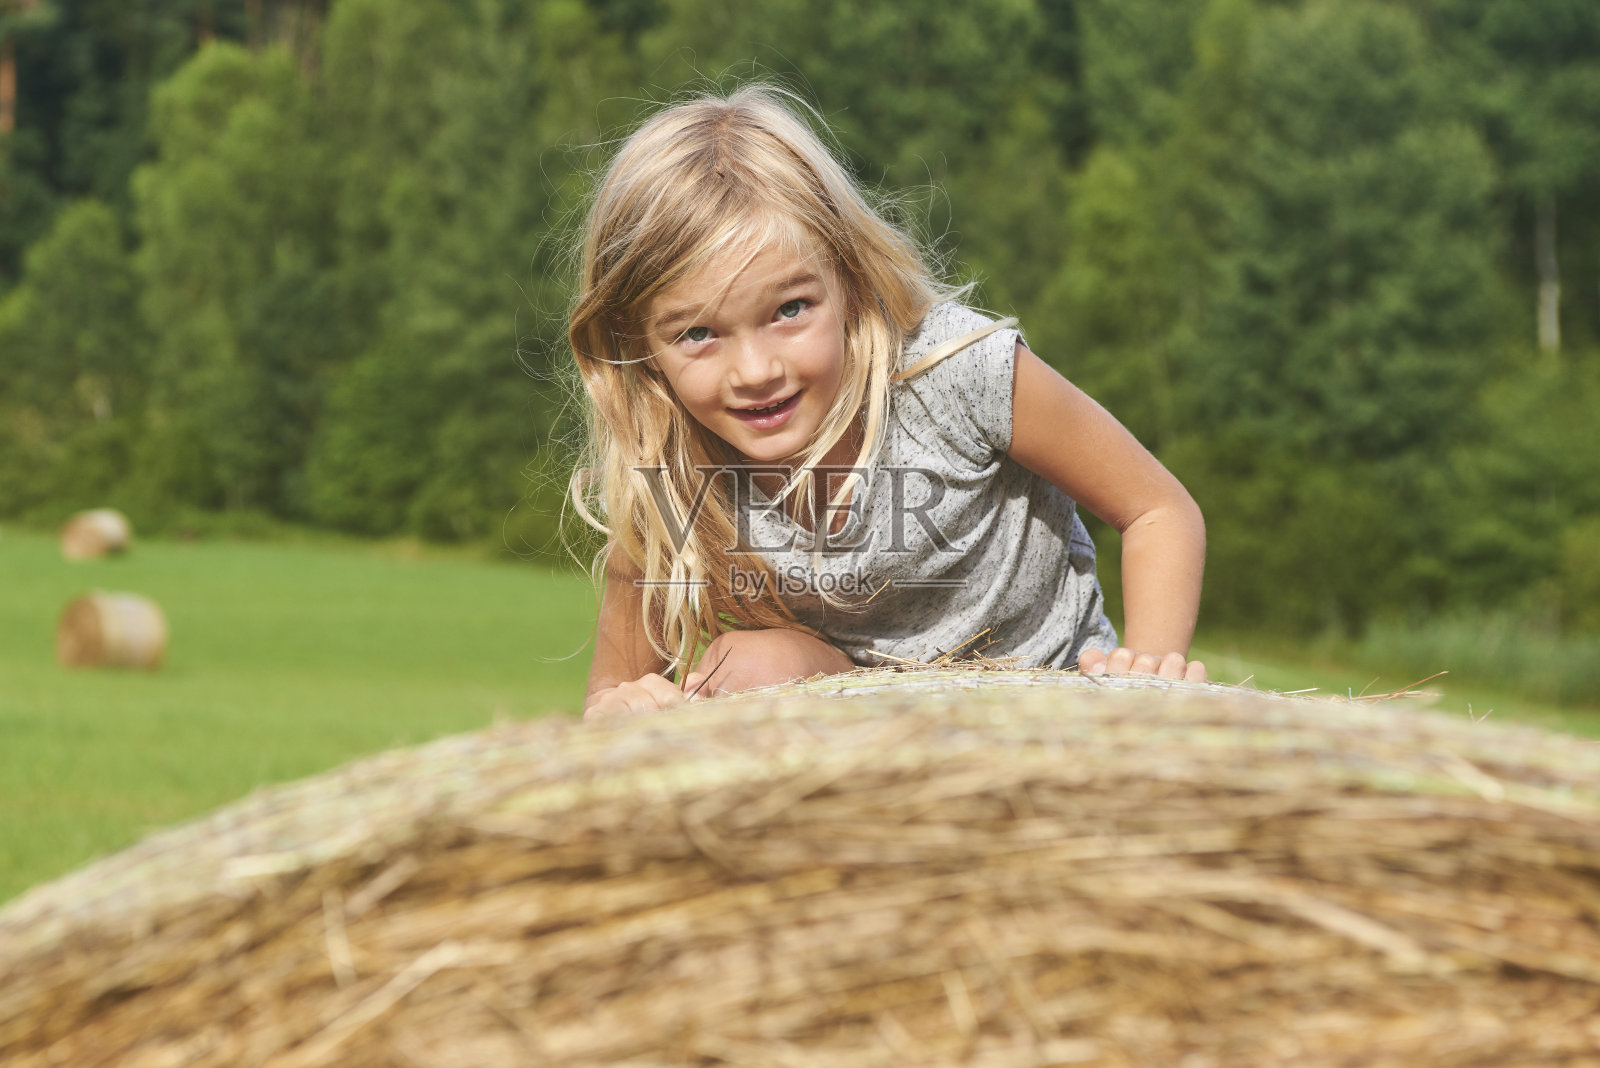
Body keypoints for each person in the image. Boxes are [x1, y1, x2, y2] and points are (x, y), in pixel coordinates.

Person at [570, 86, 1206, 720]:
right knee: (737, 671)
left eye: (790, 310)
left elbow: (1156, 509)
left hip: (1049, 702)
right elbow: (612, 694)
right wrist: (622, 709)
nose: (757, 372)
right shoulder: (668, 459)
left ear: (847, 276)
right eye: (699, 334)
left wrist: (1148, 677)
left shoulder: (956, 371)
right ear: (638, 341)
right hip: (865, 719)